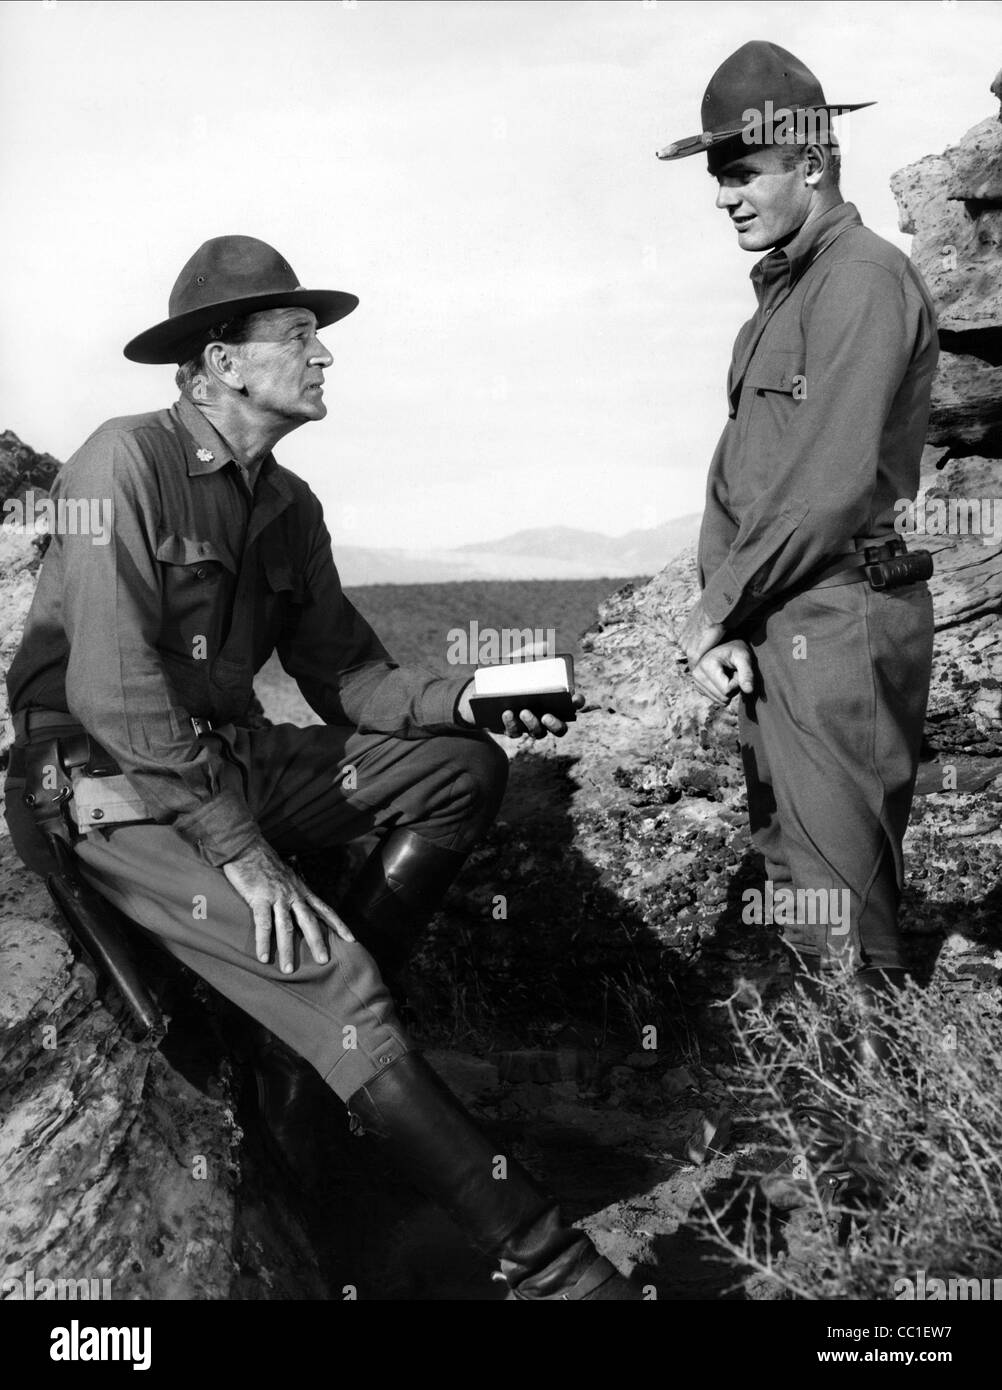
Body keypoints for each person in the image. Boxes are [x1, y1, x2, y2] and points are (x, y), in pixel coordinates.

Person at [3, 234, 637, 1299]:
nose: (324, 356)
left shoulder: (287, 505)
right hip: (109, 786)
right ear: (223, 362)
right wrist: (246, 857)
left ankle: (303, 1058)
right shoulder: (123, 461)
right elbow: (113, 694)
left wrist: (471, 696)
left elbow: (349, 676)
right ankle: (556, 1270)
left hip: (222, 761)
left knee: (457, 771)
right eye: (298, 337)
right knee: (331, 976)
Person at [657, 43, 938, 1204]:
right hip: (780, 631)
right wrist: (722, 615)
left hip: (840, 621)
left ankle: (888, 1197)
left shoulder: (865, 280)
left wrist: (720, 607)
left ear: (813, 160)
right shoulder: (777, 300)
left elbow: (826, 489)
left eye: (744, 168)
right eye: (715, 172)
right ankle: (837, 1165)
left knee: (842, 905)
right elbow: (740, 481)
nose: (725, 193)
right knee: (801, 884)